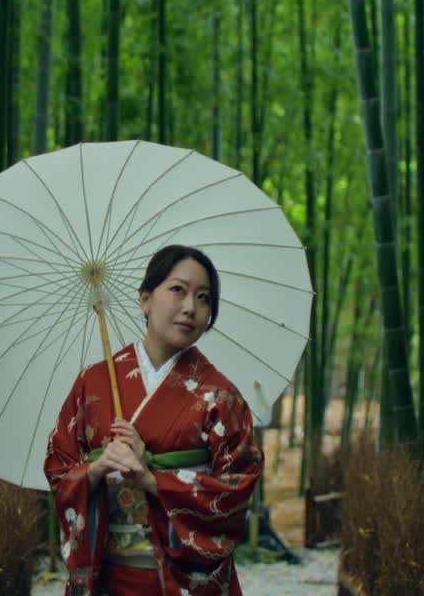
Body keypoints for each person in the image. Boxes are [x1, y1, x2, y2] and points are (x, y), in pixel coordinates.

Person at [44, 245, 263, 595]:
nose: (190, 307)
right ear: (145, 299)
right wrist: (97, 470)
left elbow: (236, 491)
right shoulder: (93, 383)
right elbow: (58, 469)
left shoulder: (220, 396)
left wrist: (151, 479)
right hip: (109, 578)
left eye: (203, 298)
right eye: (178, 290)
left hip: (184, 581)